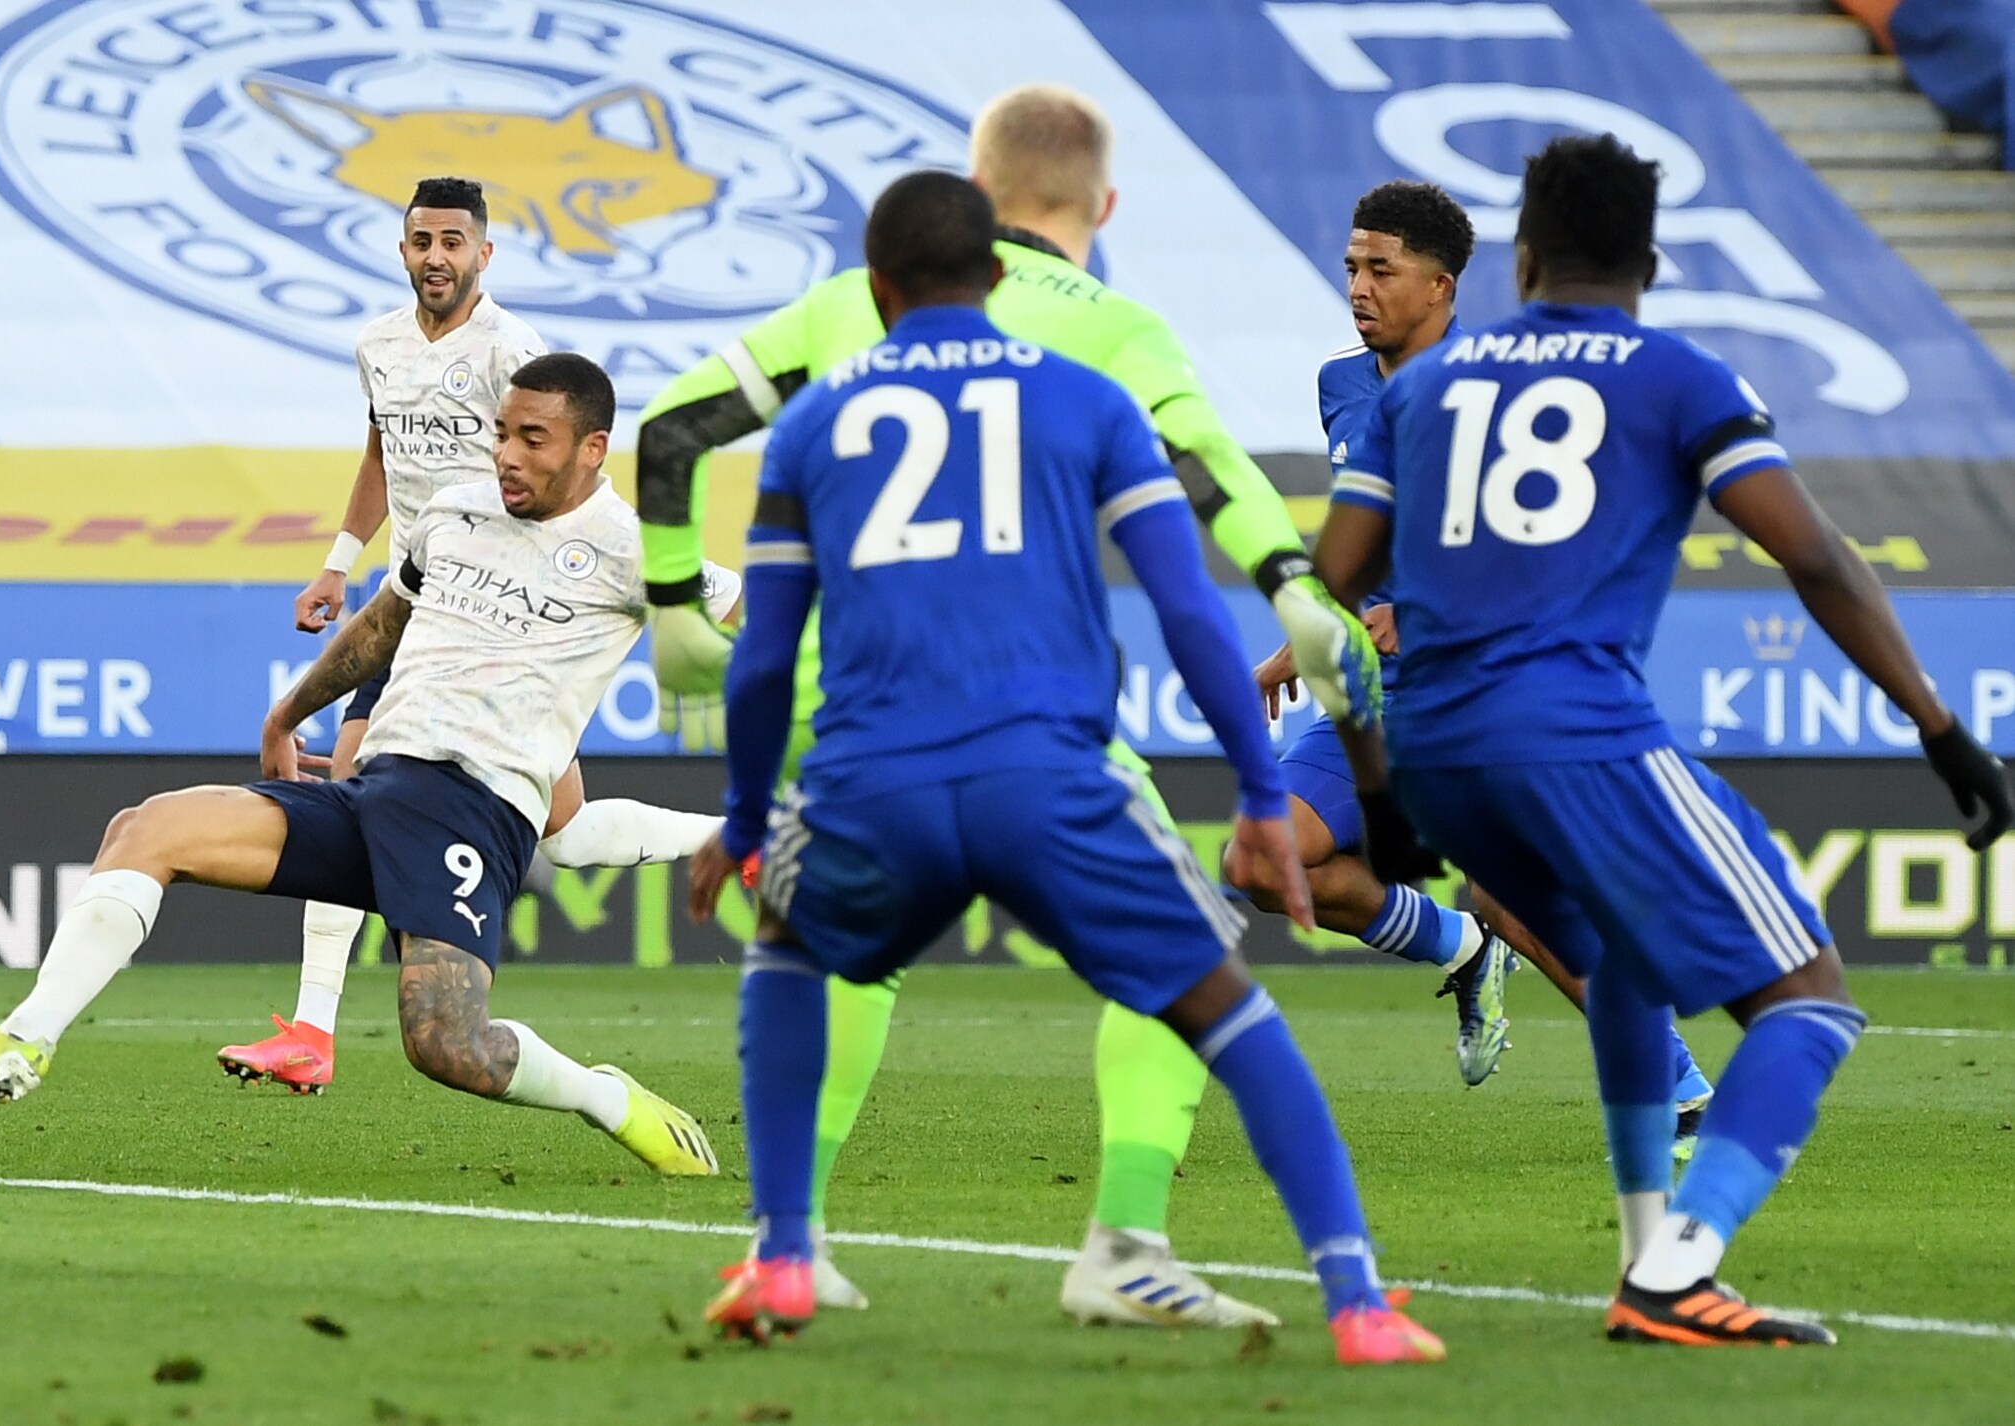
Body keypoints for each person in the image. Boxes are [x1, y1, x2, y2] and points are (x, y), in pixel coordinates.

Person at [631, 83, 1381, 1329]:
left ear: (968, 206)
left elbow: (667, 433)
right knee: (1196, 962)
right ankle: (1135, 1240)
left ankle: (786, 1245)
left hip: (840, 709)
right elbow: (1205, 476)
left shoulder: (840, 317)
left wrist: (670, 614)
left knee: (818, 958)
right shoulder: (1111, 340)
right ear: (1104, 206)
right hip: (1026, 719)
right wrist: (1291, 585)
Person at [1314, 134, 2012, 1345]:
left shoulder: (1422, 388)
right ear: (1645, 262)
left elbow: (1324, 585)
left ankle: (1644, 1261)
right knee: (1808, 1001)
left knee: (1623, 962)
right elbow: (1813, 556)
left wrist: (1378, 793)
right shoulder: (1678, 375)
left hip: (1432, 748)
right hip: (1576, 737)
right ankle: (1678, 1269)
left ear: (1520, 260)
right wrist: (1939, 726)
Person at [0, 354, 724, 1180]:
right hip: (375, 785)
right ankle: (25, 1040)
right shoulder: (455, 510)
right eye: (499, 434)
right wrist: (287, 714)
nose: (506, 456)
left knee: (448, 1045)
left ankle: (609, 1099)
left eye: (532, 439)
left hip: (472, 810)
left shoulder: (634, 549)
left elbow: (748, 616)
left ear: (592, 448)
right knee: (147, 827)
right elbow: (383, 624)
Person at [1229, 182, 1716, 1134]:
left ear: (1440, 286)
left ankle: (1680, 1093)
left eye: (1381, 270)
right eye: (1351, 268)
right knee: (1263, 860)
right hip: (1373, 690)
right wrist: (1302, 640)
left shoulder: (1507, 396)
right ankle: (1460, 950)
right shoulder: (1341, 383)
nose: (1358, 288)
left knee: (1515, 896)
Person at [222, 177, 728, 1093]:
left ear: (483, 254)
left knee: (360, 776)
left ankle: (312, 1030)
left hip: (494, 604)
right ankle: (736, 839)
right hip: (419, 588)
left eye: (453, 241)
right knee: (560, 829)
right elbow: (380, 455)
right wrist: (339, 562)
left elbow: (568, 467)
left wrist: (585, 567)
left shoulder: (511, 350)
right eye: (422, 240)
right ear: (402, 248)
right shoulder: (377, 345)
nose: (436, 257)